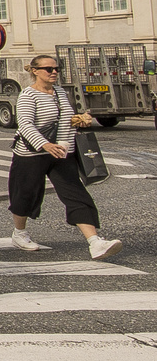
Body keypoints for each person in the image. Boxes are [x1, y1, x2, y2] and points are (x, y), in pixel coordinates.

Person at [8, 54, 123, 257]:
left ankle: (94, 242)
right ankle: (19, 233)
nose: (54, 73)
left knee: (76, 194)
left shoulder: (59, 92)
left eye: (56, 69)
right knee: (26, 194)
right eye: (48, 69)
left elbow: (63, 119)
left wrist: (79, 120)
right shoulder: (28, 95)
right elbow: (25, 124)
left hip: (61, 152)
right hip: (31, 153)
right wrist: (45, 145)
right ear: (35, 71)